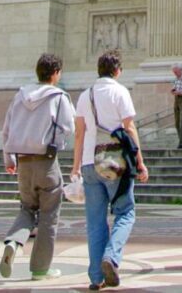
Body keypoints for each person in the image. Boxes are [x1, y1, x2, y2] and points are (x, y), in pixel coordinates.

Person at [72, 50, 149, 291]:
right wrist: (140, 161)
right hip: (113, 159)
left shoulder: (86, 95)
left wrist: (75, 166)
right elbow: (129, 128)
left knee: (95, 222)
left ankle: (96, 277)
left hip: (88, 161)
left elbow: (80, 133)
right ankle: (112, 257)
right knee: (125, 212)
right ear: (117, 71)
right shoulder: (119, 91)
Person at [0, 54, 76, 281]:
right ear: (56, 73)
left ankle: (14, 241)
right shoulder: (59, 97)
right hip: (46, 161)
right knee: (49, 216)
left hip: (22, 162)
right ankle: (41, 269)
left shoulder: (19, 96)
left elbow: (6, 130)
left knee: (27, 208)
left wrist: (9, 160)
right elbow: (69, 126)